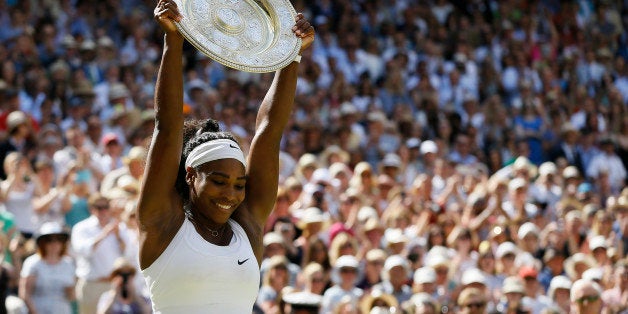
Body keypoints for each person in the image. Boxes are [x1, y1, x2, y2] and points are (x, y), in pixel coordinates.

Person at [136, 1, 314, 313]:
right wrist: (173, 41)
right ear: (191, 175)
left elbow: (270, 132)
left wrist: (291, 54)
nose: (230, 194)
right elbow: (167, 128)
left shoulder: (248, 225)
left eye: (238, 184)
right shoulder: (162, 221)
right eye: (219, 181)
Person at [71, 194, 132, 314]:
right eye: (99, 207)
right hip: (92, 285)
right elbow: (83, 250)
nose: (103, 211)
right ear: (91, 209)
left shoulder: (119, 227)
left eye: (106, 207)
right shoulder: (81, 228)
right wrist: (104, 234)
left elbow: (128, 253)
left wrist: (118, 236)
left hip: (115, 285)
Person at [18, 222, 75, 314]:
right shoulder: (32, 263)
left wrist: (70, 291)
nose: (54, 243)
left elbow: (72, 296)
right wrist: (34, 312)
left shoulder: (69, 263)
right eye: (49, 240)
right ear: (42, 242)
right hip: (38, 309)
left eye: (59, 239)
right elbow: (25, 293)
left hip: (62, 309)